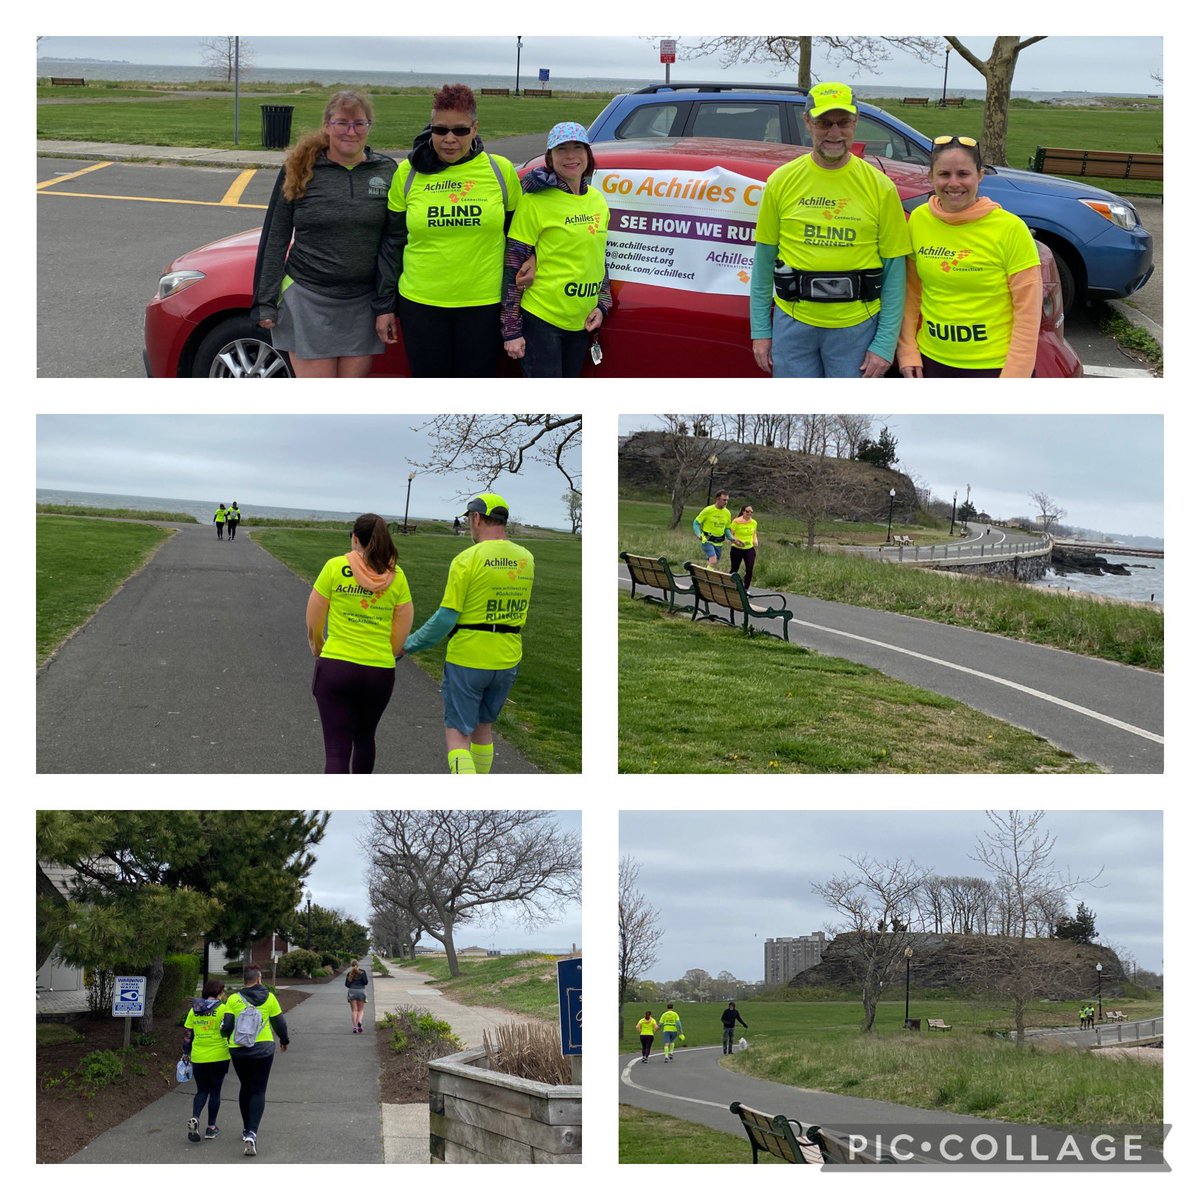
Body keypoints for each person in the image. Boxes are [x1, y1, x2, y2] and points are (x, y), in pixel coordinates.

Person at [751, 82, 910, 378]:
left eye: (843, 123)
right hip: (793, 326)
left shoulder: (881, 188)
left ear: (856, 122)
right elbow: (763, 263)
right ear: (808, 122)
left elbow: (895, 272)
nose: (834, 133)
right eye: (824, 122)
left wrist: (885, 344)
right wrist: (760, 330)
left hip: (857, 329)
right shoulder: (781, 181)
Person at [376, 84, 521, 377]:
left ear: (475, 128)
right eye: (440, 130)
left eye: (460, 130)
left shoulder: (500, 171)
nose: (450, 139)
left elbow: (518, 237)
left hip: (484, 304)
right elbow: (392, 243)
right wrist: (384, 305)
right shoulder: (407, 173)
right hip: (421, 304)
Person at [252, 91, 398, 379]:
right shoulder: (299, 169)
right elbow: (276, 236)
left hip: (361, 303)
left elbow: (392, 242)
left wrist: (386, 303)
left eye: (359, 123)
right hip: (308, 298)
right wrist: (265, 302)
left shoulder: (386, 170)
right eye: (342, 123)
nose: (351, 131)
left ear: (369, 126)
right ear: (327, 125)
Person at [404, 493, 534, 775]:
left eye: (469, 519)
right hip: (507, 657)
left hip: (468, 657)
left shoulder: (467, 559)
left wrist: (409, 644)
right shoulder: (526, 558)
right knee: (483, 729)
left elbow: (446, 618)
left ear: (476, 518)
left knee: (458, 733)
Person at [898, 135, 1042, 378]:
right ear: (931, 176)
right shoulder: (920, 220)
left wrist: (1015, 377)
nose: (954, 183)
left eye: (963, 174)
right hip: (930, 361)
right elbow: (911, 294)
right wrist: (907, 350)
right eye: (944, 174)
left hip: (993, 367)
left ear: (980, 175)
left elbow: (1028, 314)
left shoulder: (1010, 229)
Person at [306, 514, 414, 773]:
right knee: (365, 738)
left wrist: (318, 647)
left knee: (336, 749)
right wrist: (384, 653)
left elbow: (314, 620)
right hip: (379, 671)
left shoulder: (334, 567)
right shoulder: (397, 576)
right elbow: (402, 629)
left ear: (355, 538)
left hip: (337, 666)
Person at [501, 122, 611, 377]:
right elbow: (512, 266)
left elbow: (599, 257)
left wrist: (603, 303)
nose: (571, 156)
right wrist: (511, 330)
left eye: (578, 148)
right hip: (542, 320)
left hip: (581, 322)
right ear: (550, 157)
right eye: (562, 149)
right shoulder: (534, 202)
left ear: (588, 154)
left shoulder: (597, 199)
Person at [220, 963, 289, 1157]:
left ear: (244, 980)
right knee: (259, 1089)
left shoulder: (233, 999)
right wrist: (284, 1041)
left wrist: (225, 1036)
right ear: (259, 979)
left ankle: (245, 1129)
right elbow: (280, 1023)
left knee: (245, 1087)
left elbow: (227, 1026)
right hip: (263, 1049)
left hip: (239, 1050)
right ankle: (252, 1132)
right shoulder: (270, 997)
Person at [181, 979, 230, 1142]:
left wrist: (186, 1053)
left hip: (199, 1056)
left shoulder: (193, 1010)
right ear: (219, 993)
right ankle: (211, 1128)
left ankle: (195, 1117)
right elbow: (228, 1030)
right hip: (219, 1055)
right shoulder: (223, 1009)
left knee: (202, 1090)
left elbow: (188, 1035)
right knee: (215, 1091)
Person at [692, 491, 733, 564]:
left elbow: (726, 529)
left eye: (727, 500)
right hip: (707, 540)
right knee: (713, 560)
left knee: (713, 563)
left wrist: (732, 538)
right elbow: (696, 523)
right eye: (724, 500)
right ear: (718, 499)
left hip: (719, 543)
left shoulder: (727, 513)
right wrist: (699, 535)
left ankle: (704, 574)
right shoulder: (708, 510)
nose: (726, 502)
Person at [728, 505, 759, 587]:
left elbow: (754, 533)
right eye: (747, 511)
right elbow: (730, 534)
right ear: (743, 511)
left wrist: (755, 541)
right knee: (734, 569)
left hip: (749, 549)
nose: (749, 513)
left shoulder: (754, 522)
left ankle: (746, 588)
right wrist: (736, 541)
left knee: (749, 568)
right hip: (737, 548)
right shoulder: (736, 521)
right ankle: (730, 585)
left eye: (751, 512)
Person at [345, 959, 369, 1034]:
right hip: (361, 991)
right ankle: (359, 1022)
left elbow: (347, 984)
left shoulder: (349, 973)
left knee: (354, 1010)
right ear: (358, 965)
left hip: (352, 991)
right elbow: (366, 982)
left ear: (351, 966)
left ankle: (355, 1027)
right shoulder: (363, 972)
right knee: (360, 1010)